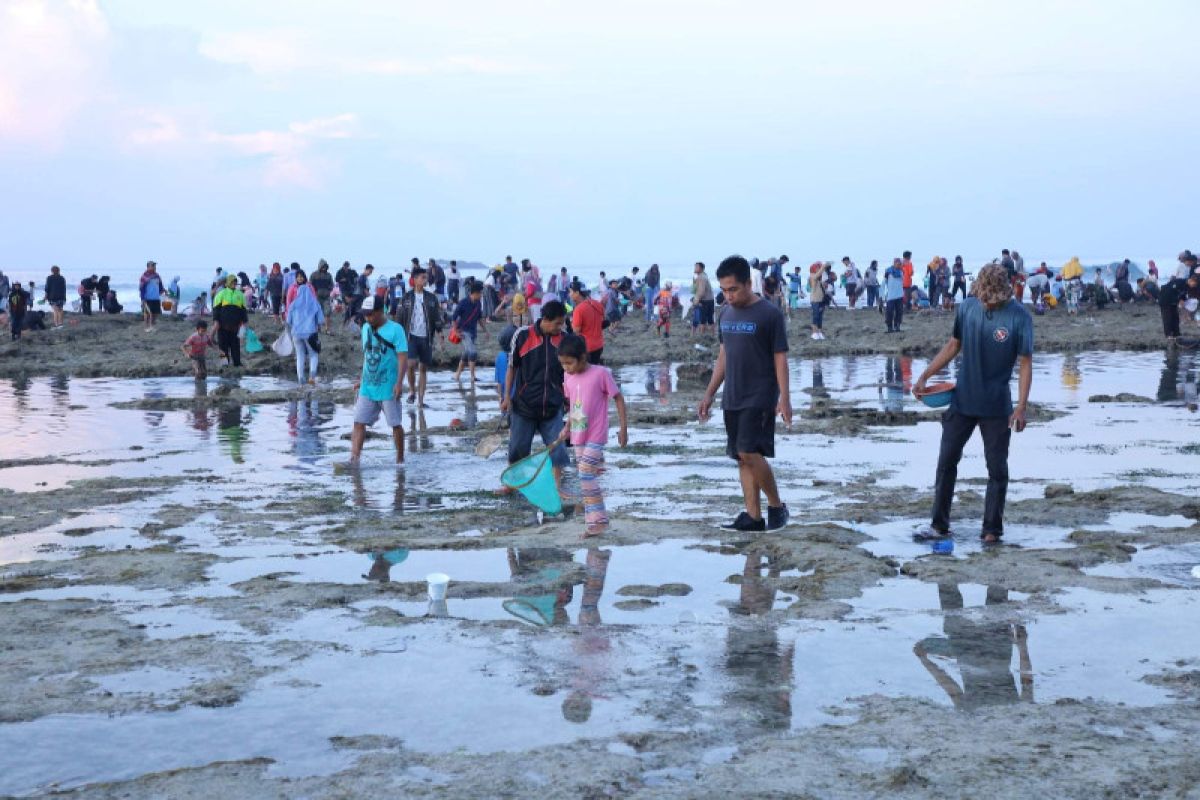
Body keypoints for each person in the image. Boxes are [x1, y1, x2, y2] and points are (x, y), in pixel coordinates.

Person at [913, 264, 1033, 544]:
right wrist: (925, 375)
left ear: (1004, 293)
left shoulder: (1020, 317)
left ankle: (992, 530)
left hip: (997, 407)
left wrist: (1021, 406)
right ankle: (939, 525)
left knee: (997, 470)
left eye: (992, 298)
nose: (987, 302)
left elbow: (1026, 363)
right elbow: (954, 344)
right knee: (946, 463)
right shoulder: (967, 308)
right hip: (962, 401)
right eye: (983, 297)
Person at [698, 255, 791, 532]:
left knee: (749, 451)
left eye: (733, 289)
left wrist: (784, 398)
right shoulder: (725, 313)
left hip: (760, 395)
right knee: (741, 456)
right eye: (724, 290)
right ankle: (753, 516)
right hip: (733, 395)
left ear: (749, 283)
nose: (728, 296)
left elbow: (780, 357)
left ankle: (776, 506)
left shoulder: (769, 314)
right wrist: (709, 394)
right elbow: (724, 356)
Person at [553, 334, 628, 537]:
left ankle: (599, 521)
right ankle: (595, 523)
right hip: (578, 434)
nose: (566, 367)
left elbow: (618, 399)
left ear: (583, 357)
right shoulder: (567, 377)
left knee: (586, 473)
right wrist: (567, 426)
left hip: (596, 433)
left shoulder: (601, 373)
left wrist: (623, 428)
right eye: (562, 363)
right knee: (585, 478)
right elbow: (575, 405)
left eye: (569, 362)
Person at [500, 300, 570, 498]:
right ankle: (512, 485)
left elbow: (570, 373)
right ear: (545, 320)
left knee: (558, 449)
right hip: (523, 405)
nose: (560, 327)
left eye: (562, 323)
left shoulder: (564, 339)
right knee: (517, 449)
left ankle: (557, 487)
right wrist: (506, 397)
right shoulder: (523, 336)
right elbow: (511, 367)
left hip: (553, 405)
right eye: (557, 323)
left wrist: (569, 400)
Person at [350, 295, 409, 464]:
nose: (367, 318)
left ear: (380, 311)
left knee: (395, 424)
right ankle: (354, 459)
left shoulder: (396, 329)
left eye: (370, 314)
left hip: (389, 387)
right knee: (358, 422)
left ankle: (399, 460)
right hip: (368, 386)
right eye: (365, 315)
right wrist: (361, 380)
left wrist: (399, 383)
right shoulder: (365, 329)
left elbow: (403, 358)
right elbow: (367, 356)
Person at [397, 266, 442, 407]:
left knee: (423, 368)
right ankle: (411, 391)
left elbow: (436, 317)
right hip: (410, 336)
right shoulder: (406, 298)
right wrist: (397, 337)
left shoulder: (431, 298)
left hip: (426, 337)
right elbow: (399, 319)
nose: (425, 279)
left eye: (425, 277)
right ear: (414, 279)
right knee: (410, 364)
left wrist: (440, 334)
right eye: (422, 277)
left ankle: (421, 400)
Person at [286, 270, 325, 385]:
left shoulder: (293, 304)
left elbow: (288, 320)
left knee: (300, 356)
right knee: (313, 354)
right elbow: (321, 320)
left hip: (296, 333)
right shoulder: (314, 303)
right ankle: (312, 377)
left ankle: (301, 379)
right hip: (310, 333)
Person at [451, 280, 485, 384]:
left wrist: (485, 331)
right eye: (480, 293)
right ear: (475, 293)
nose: (481, 295)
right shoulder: (463, 303)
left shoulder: (478, 303)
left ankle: (457, 375)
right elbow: (453, 318)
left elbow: (479, 318)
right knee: (473, 352)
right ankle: (472, 376)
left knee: (466, 355)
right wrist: (456, 331)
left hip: (473, 332)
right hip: (464, 332)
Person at [211, 276, 248, 367]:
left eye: (235, 283)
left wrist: (244, 322)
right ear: (228, 283)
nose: (234, 284)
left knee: (235, 346)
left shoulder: (240, 294)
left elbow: (243, 310)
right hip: (223, 326)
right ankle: (224, 364)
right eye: (232, 282)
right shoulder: (221, 294)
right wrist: (216, 321)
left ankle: (237, 363)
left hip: (235, 326)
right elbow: (216, 309)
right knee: (223, 347)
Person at [569, 280, 606, 364]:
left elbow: (576, 330)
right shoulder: (597, 304)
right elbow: (602, 320)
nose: (569, 294)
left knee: (586, 374)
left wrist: (571, 322)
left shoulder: (579, 309)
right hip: (599, 345)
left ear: (577, 292)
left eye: (571, 292)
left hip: (587, 347)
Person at [139, 261, 165, 332]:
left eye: (154, 266)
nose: (154, 267)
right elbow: (141, 288)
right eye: (153, 266)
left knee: (155, 313)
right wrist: (142, 298)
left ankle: (152, 326)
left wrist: (163, 291)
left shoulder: (157, 275)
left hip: (156, 298)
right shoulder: (144, 276)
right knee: (148, 313)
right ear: (148, 267)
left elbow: (160, 286)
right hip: (148, 298)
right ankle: (146, 327)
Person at [692, 262, 716, 334]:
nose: (695, 268)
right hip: (710, 299)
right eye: (695, 267)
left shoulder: (701, 277)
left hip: (705, 300)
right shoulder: (704, 276)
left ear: (701, 269)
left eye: (696, 267)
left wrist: (695, 301)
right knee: (710, 319)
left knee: (703, 320)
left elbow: (701, 291)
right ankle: (712, 335)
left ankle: (702, 336)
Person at [1159, 277, 1183, 343]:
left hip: (1172, 303)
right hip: (1165, 303)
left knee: (1175, 318)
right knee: (1167, 319)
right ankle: (1169, 334)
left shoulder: (1174, 286)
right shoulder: (1167, 287)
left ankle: (1176, 333)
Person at [807, 263, 826, 340]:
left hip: (821, 299)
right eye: (818, 268)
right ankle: (814, 332)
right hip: (815, 299)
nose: (819, 269)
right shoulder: (812, 276)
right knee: (816, 315)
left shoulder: (820, 278)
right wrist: (823, 266)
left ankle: (819, 332)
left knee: (820, 316)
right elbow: (816, 276)